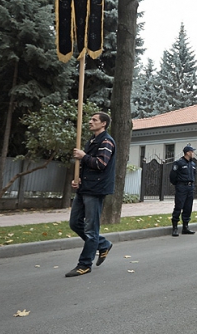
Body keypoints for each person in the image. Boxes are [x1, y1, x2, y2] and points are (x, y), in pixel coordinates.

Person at [66, 112, 116, 277]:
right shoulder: (92, 141)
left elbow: (101, 163)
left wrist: (84, 156)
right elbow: (87, 166)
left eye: (94, 120)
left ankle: (84, 264)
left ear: (103, 124)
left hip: (96, 190)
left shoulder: (106, 141)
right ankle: (103, 244)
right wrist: (78, 179)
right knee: (74, 223)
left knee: (90, 229)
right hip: (84, 188)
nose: (90, 122)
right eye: (90, 119)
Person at [170, 145, 197, 236]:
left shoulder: (192, 164)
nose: (193, 153)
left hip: (190, 187)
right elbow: (172, 176)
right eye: (192, 152)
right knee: (179, 206)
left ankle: (185, 227)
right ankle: (175, 227)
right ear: (187, 153)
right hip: (181, 187)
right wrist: (178, 185)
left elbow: (194, 175)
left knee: (188, 207)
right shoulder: (178, 163)